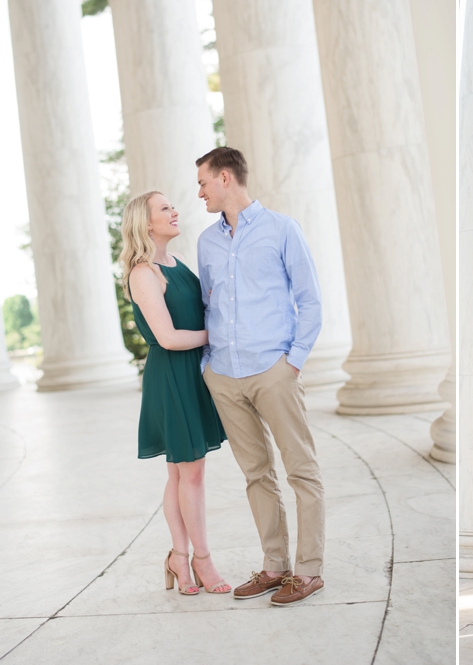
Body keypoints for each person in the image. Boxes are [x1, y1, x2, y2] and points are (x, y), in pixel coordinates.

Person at [195, 146, 325, 607]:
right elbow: (209, 304)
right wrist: (208, 364)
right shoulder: (207, 241)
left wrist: (293, 362)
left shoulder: (282, 229)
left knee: (302, 471)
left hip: (274, 369)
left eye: (204, 183)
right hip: (225, 375)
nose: (200, 193)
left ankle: (308, 570)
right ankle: (275, 567)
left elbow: (310, 300)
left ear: (226, 178)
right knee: (256, 474)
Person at [120, 191, 231, 596]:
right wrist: (220, 335)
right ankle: (202, 560)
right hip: (171, 376)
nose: (174, 211)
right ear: (145, 223)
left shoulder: (176, 264)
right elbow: (166, 337)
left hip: (193, 373)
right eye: (164, 208)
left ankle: (178, 558)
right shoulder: (143, 272)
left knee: (180, 472)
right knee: (192, 472)